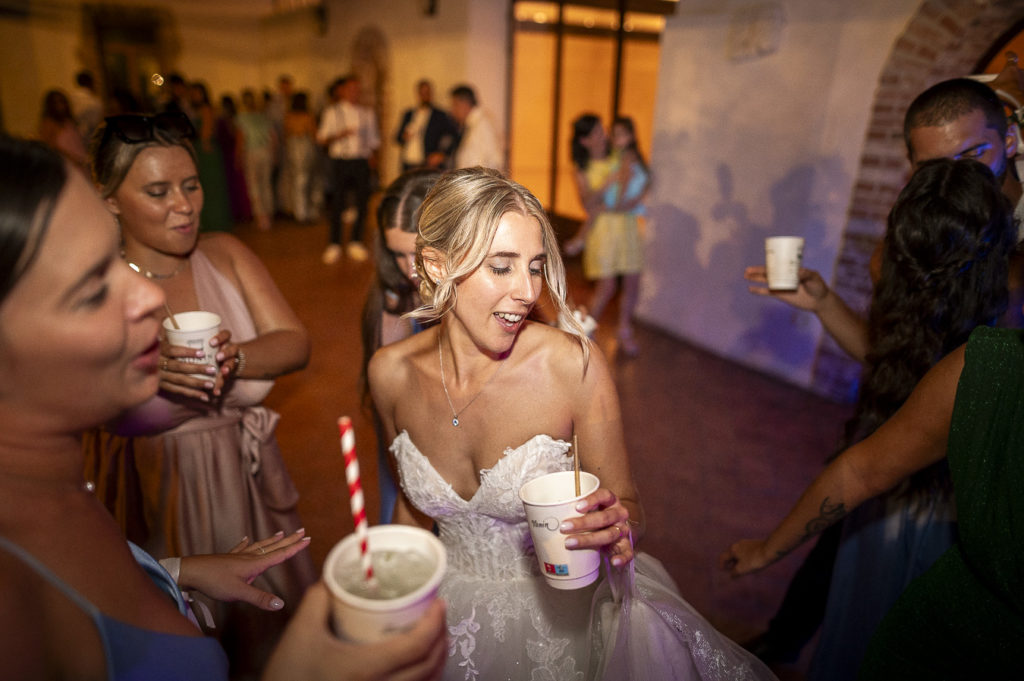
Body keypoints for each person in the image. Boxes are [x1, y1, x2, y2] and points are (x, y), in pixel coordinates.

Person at [0, 135, 449, 681]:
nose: (149, 296)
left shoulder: (60, 494)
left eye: (191, 185)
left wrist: (174, 572)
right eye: (94, 287)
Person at [369, 167, 776, 680]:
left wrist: (615, 528)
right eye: (502, 267)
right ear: (436, 265)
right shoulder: (389, 374)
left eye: (536, 267)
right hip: (443, 617)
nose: (527, 291)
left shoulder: (572, 367)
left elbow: (627, 506)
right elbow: (411, 510)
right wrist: (387, 592)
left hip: (561, 625)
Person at [739, 73, 1024, 664]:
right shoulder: (911, 242)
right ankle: (782, 642)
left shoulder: (1014, 281)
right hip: (895, 453)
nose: (954, 177)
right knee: (851, 572)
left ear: (1011, 140)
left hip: (969, 491)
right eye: (932, 167)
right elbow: (896, 359)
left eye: (972, 156)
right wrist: (823, 303)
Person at [88, 111, 316, 677]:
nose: (184, 205)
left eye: (190, 185)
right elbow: (70, 405)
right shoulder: (92, 285)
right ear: (111, 200)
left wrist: (235, 358)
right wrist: (144, 375)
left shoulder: (226, 253)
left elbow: (294, 342)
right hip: (154, 487)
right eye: (158, 192)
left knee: (265, 632)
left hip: (245, 482)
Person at [361, 169, 442, 524]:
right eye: (397, 254)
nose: (410, 269)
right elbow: (390, 397)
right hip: (415, 445)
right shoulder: (393, 294)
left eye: (419, 253)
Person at [568, 114, 649, 356]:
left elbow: (638, 178)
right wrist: (608, 182)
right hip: (602, 230)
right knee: (607, 286)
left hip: (627, 225)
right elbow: (588, 204)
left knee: (633, 283)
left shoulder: (618, 155)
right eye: (595, 132)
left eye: (602, 130)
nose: (602, 135)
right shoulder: (582, 169)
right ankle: (586, 330)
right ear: (584, 141)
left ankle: (624, 330)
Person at [317, 75, 380, 264]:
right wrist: (340, 135)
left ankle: (356, 241)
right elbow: (321, 138)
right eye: (351, 89)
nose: (355, 93)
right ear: (342, 91)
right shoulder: (332, 112)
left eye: (357, 89)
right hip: (340, 161)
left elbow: (374, 141)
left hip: (360, 161)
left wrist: (372, 157)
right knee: (338, 203)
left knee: (362, 202)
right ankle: (334, 243)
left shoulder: (367, 113)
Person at [188, 81, 234, 233]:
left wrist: (198, 142)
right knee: (206, 187)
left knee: (210, 187)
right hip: (202, 150)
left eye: (197, 93)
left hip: (206, 151)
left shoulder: (206, 109)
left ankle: (215, 222)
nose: (194, 96)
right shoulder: (197, 110)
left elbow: (206, 133)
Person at [236, 88, 278, 231]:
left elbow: (241, 139)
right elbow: (273, 138)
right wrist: (274, 155)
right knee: (266, 184)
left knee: (254, 185)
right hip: (266, 152)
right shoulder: (264, 117)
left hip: (252, 152)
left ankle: (261, 217)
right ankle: (269, 214)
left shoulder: (242, 118)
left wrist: (238, 157)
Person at [396, 80, 457, 172]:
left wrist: (442, 154)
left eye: (427, 93)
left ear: (431, 94)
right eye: (422, 93)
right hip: (408, 162)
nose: (425, 96)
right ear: (418, 94)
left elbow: (453, 135)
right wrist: (404, 136)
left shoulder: (439, 115)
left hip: (427, 164)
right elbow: (397, 138)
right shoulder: (408, 114)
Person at [279, 91, 318, 223]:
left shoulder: (288, 117)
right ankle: (304, 211)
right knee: (306, 180)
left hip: (292, 148)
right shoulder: (308, 116)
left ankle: (299, 211)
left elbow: (285, 135)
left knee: (296, 181)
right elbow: (314, 135)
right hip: (305, 148)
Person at [449, 84, 502, 171]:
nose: (452, 111)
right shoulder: (472, 124)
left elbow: (493, 161)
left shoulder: (483, 123)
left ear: (464, 104)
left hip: (478, 178)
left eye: (454, 105)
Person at [38, 88, 89, 169]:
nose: (61, 106)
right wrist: (73, 159)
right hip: (66, 165)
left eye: (62, 101)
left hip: (82, 162)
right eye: (56, 103)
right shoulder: (49, 123)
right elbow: (51, 147)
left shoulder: (69, 120)